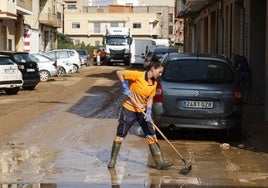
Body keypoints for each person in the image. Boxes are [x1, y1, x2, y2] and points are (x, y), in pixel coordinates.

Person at [107, 61, 173, 170]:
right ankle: (112, 161)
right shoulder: (138, 75)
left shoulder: (154, 83)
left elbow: (150, 98)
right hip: (129, 108)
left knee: (151, 133)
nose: (160, 74)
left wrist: (149, 112)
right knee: (121, 134)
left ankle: (160, 162)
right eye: (159, 72)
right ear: (152, 69)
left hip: (142, 110)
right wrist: (124, 85)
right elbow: (119, 72)